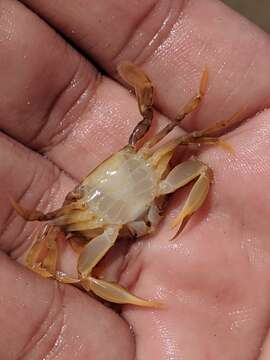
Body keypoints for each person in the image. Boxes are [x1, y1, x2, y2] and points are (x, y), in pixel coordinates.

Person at [1, 0, 270, 359]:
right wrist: (57, 274)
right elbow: (55, 261)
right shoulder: (82, 217)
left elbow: (195, 148)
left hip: (141, 180)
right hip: (108, 213)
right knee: (74, 260)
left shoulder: (146, 156)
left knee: (193, 152)